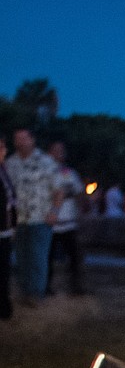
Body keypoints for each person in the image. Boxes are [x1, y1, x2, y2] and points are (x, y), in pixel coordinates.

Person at [5, 128, 64, 306]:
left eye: (24, 138)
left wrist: (54, 211)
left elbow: (59, 190)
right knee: (21, 257)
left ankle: (36, 294)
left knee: (38, 257)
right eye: (17, 139)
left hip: (41, 218)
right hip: (17, 220)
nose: (20, 142)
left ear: (32, 140)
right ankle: (25, 290)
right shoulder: (10, 163)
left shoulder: (46, 162)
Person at [47, 141, 86, 297]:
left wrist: (80, 210)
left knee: (75, 257)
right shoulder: (45, 172)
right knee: (48, 258)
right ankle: (45, 287)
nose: (59, 153)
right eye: (56, 150)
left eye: (62, 150)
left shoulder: (70, 173)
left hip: (69, 223)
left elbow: (79, 192)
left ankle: (76, 286)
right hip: (51, 223)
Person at [0, 139, 16, 320]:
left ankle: (4, 306)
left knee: (4, 270)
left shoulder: (3, 170)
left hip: (4, 229)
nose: (4, 151)